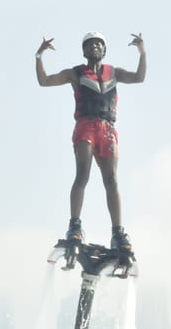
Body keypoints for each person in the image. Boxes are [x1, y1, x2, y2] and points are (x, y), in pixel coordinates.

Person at [35, 31, 146, 251]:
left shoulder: (113, 73)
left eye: (99, 44)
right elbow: (44, 81)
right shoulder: (75, 74)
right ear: (84, 50)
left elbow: (139, 77)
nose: (95, 47)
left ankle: (117, 233)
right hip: (86, 126)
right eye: (90, 44)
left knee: (112, 180)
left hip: (107, 129)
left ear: (104, 50)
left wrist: (142, 52)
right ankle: (75, 226)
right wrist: (39, 56)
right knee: (82, 174)